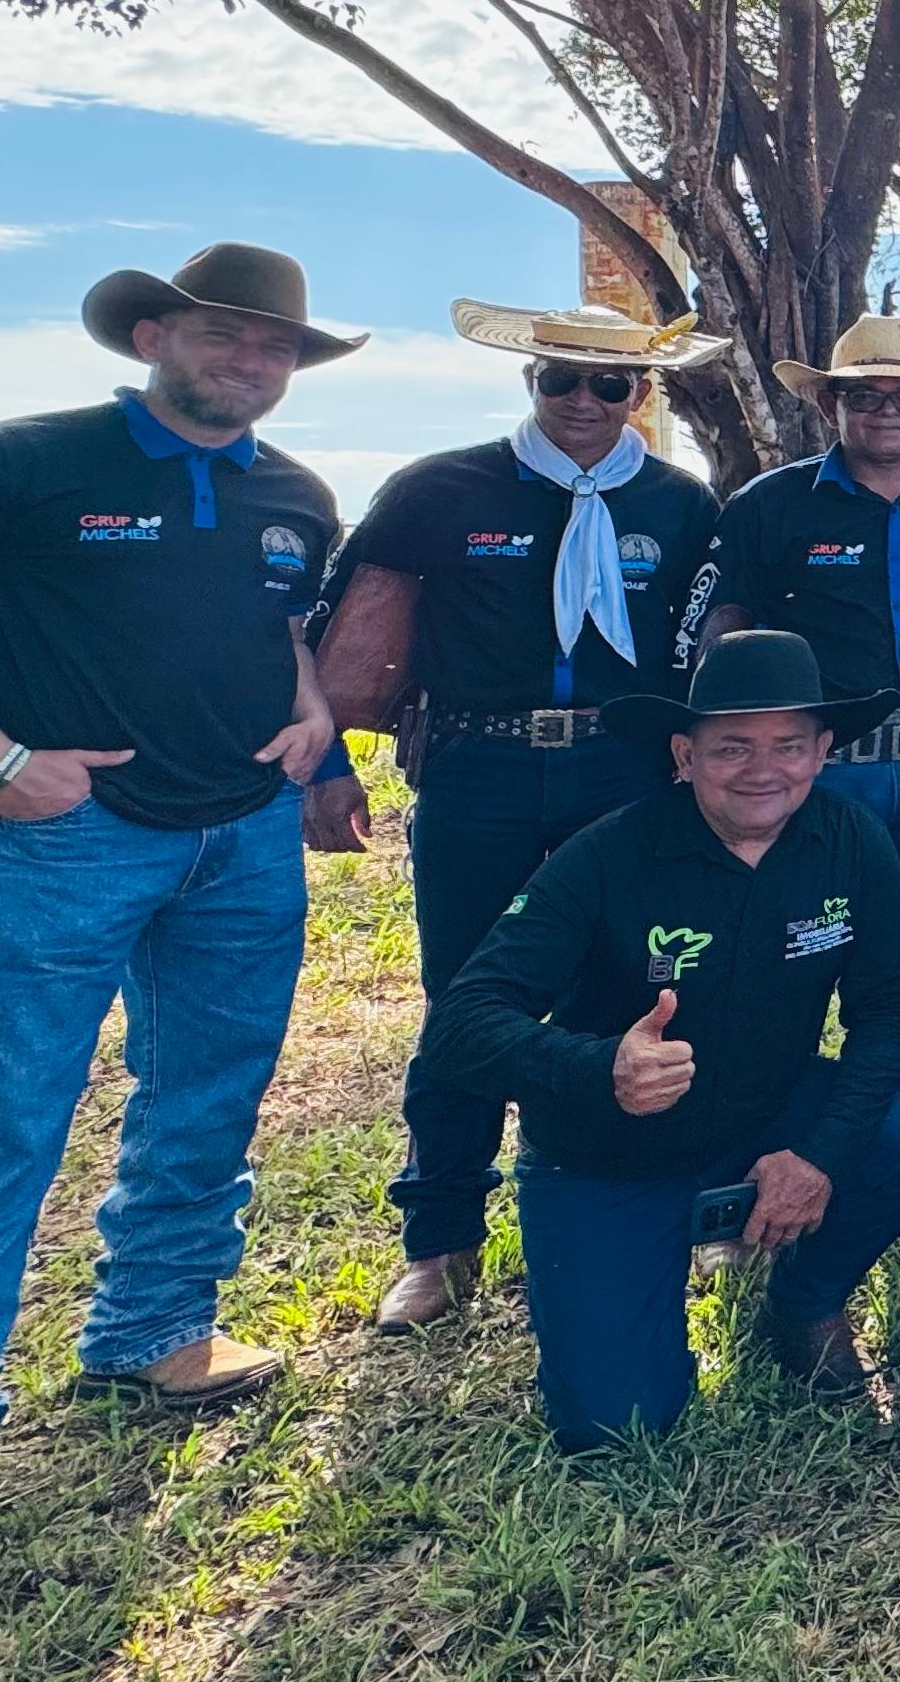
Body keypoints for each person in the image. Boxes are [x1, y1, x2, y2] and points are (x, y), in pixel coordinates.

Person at [0, 244, 352, 1585]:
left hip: (244, 834)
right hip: (64, 842)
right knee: (3, 1121)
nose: (253, 360)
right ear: (154, 335)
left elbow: (278, 628)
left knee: (210, 1094)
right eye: (227, 334)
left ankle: (154, 1329)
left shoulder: (295, 494)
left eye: (277, 345)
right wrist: (0, 765)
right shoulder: (15, 462)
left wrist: (310, 709)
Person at [416, 630, 900, 1446]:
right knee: (616, 1428)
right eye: (732, 746)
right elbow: (462, 1024)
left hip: (765, 1114)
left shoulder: (852, 840)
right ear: (684, 754)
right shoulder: (607, 853)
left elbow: (889, 1007)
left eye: (788, 745)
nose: (763, 770)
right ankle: (634, 1270)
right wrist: (601, 1065)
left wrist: (819, 1156)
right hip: (609, 1153)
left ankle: (804, 1300)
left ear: (822, 752)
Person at [305, 296, 726, 1333]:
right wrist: (327, 764)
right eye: (560, 379)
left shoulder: (680, 505)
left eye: (610, 382)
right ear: (529, 381)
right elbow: (335, 633)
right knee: (466, 996)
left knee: (630, 992)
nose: (584, 401)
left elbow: (708, 644)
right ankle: (441, 1236)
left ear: (641, 391)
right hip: (480, 769)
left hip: (622, 774)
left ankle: (609, 1207)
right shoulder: (439, 490)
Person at [684, 314, 900, 887]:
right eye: (864, 396)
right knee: (811, 926)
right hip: (822, 772)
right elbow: (720, 629)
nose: (888, 411)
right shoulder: (768, 505)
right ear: (828, 402)